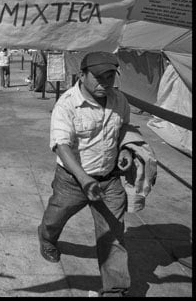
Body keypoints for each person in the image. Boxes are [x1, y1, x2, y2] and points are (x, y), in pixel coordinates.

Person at [37, 51, 134, 297]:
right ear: (82, 75)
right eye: (98, 77)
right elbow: (61, 145)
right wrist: (83, 179)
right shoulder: (67, 103)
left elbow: (123, 129)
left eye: (110, 76)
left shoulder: (119, 100)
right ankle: (47, 238)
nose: (105, 82)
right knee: (55, 218)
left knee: (112, 235)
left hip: (109, 180)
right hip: (72, 181)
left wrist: (126, 151)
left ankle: (114, 290)